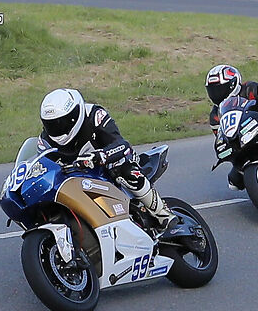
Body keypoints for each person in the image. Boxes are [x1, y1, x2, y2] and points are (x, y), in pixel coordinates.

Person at [38, 87, 166, 220]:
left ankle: (163, 214)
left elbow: (122, 145)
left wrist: (98, 156)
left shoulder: (95, 115)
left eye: (62, 122)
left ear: (76, 114)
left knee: (126, 171)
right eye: (51, 125)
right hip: (76, 178)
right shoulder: (45, 140)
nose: (58, 128)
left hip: (111, 162)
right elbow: (43, 164)